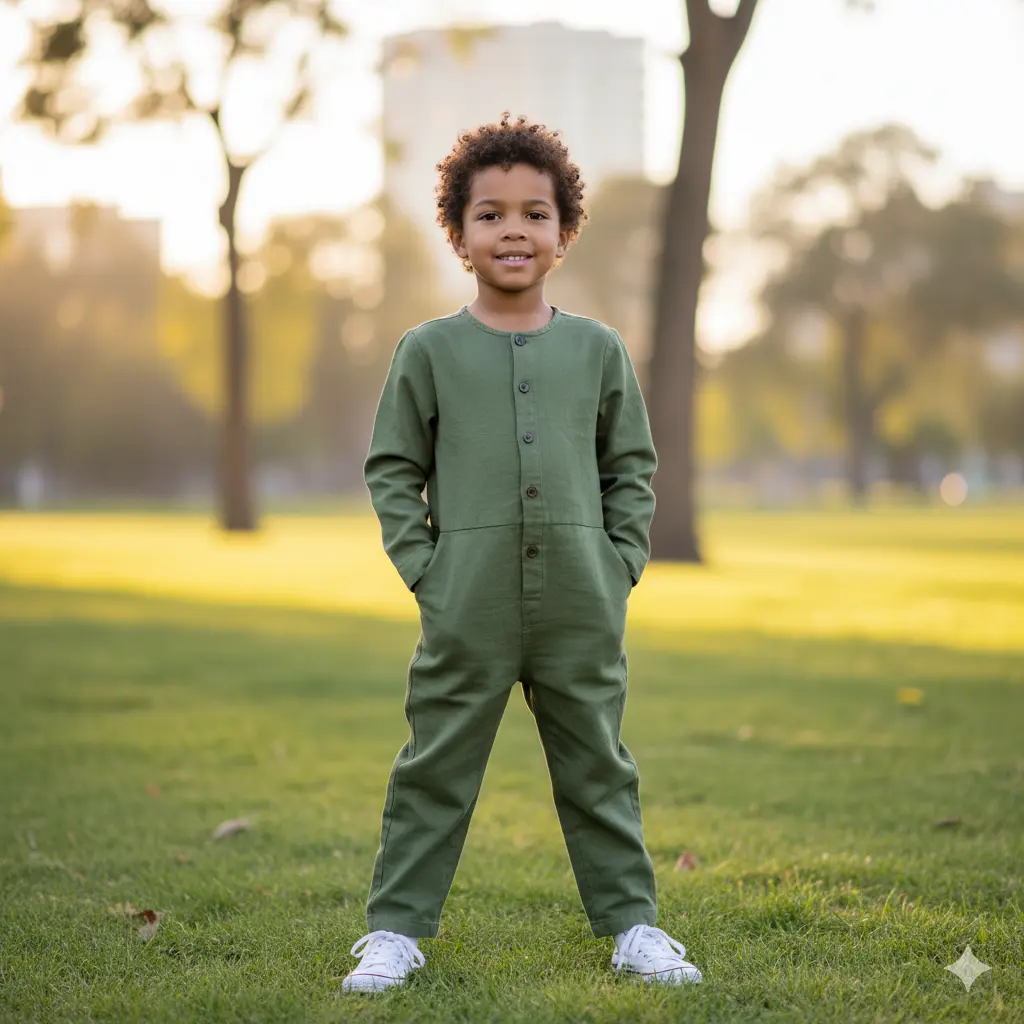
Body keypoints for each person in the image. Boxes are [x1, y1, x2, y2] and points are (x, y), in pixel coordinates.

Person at [343, 113, 702, 993]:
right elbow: (393, 469)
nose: (514, 230)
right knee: (435, 768)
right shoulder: (427, 351)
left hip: (582, 599)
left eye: (535, 214)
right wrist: (429, 570)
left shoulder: (598, 349)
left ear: (564, 233)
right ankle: (395, 931)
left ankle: (633, 927)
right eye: (491, 214)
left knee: (598, 768)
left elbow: (632, 467)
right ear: (459, 235)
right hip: (467, 601)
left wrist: (618, 562)